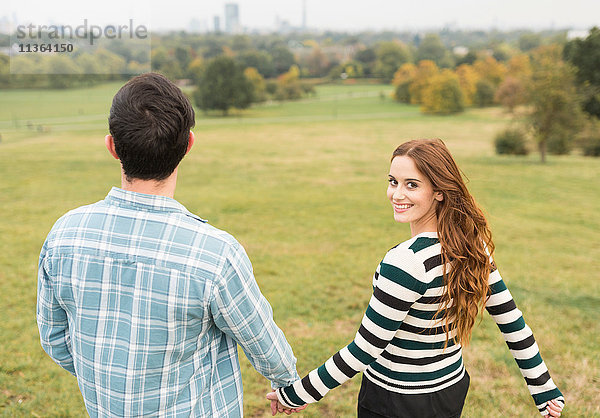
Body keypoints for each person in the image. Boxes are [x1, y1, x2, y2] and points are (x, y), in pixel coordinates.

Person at [37, 72, 301, 417]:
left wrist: (106, 378)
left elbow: (55, 337)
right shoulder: (214, 253)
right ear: (188, 144)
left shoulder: (64, 235)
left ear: (112, 146)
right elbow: (262, 341)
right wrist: (287, 383)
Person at [267, 139, 565, 417]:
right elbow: (512, 321)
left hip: (395, 399)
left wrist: (296, 394)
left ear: (439, 191)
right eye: (393, 182)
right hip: (450, 389)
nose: (397, 194)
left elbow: (366, 348)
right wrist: (543, 387)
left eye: (412, 185)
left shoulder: (406, 262)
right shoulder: (474, 247)